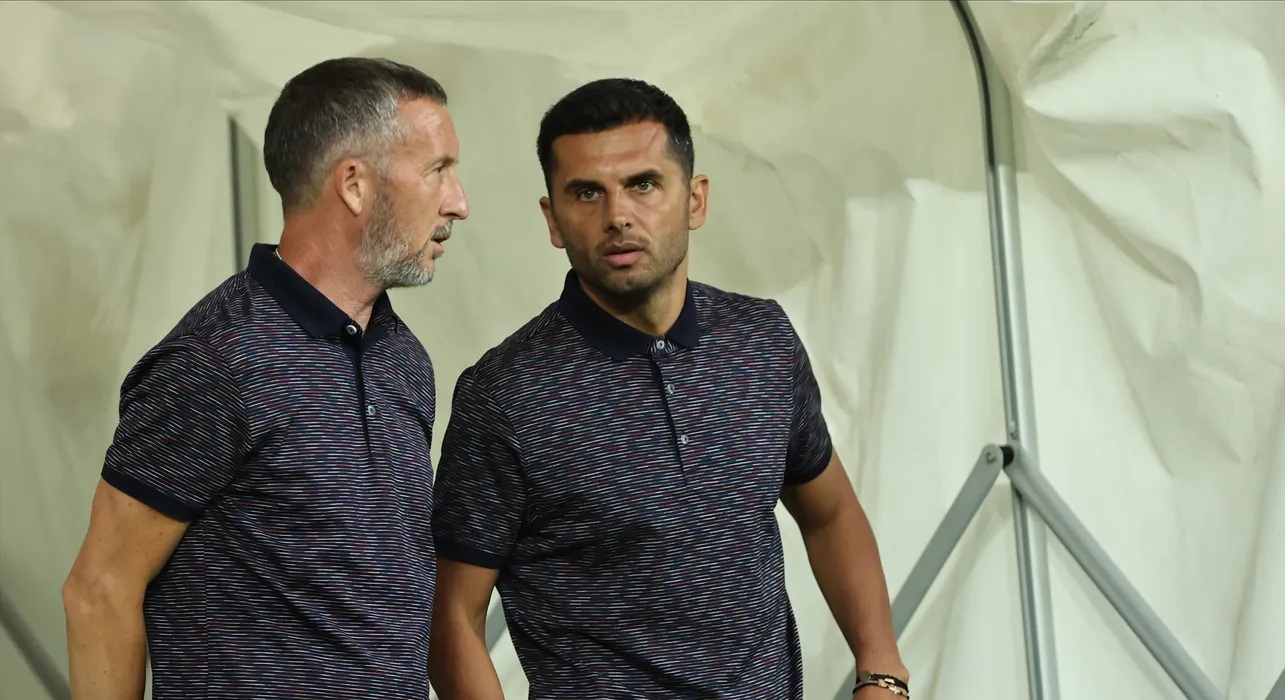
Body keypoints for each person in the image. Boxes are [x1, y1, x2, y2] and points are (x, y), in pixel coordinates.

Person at [428, 78, 907, 699]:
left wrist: (881, 670)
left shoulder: (762, 341)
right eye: (587, 192)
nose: (617, 216)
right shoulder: (505, 394)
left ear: (695, 200)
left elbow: (831, 513)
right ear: (553, 219)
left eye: (644, 184)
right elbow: (452, 616)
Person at [61, 57, 468, 700]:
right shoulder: (217, 358)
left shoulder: (404, 359)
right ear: (354, 185)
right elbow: (99, 591)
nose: (459, 203)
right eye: (437, 170)